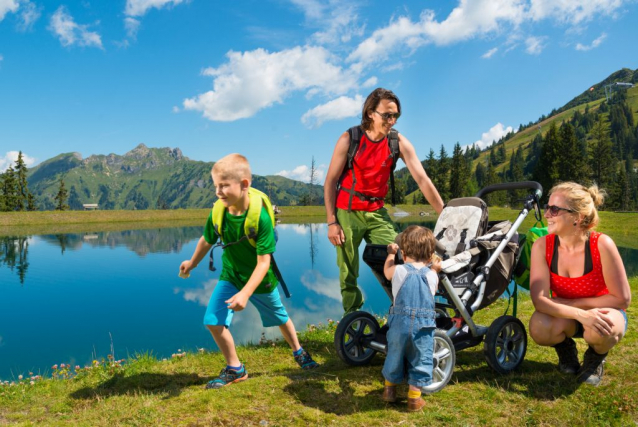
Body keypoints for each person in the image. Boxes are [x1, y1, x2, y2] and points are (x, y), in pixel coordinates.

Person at [179, 153, 318, 390]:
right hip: (231, 275)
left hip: (260, 280)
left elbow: (264, 263)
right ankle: (235, 368)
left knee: (279, 317)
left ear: (244, 185)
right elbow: (207, 239)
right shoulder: (218, 212)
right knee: (213, 321)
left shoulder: (260, 218)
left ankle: (299, 351)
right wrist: (192, 262)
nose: (218, 192)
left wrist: (245, 293)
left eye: (224, 186)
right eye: (216, 186)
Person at [324, 87, 444, 314]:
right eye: (387, 115)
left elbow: (422, 180)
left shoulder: (397, 142)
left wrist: (444, 213)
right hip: (347, 212)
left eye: (396, 116)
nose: (392, 120)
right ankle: (353, 319)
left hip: (376, 210)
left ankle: (406, 310)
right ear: (371, 112)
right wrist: (332, 222)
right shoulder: (350, 138)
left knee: (401, 255)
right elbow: (330, 181)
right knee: (347, 270)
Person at [529, 182, 631, 386]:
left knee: (604, 329)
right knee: (538, 327)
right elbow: (539, 301)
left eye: (554, 209)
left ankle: (596, 355)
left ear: (578, 217)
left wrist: (571, 306)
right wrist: (580, 314)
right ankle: (566, 349)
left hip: (603, 312)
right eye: (547, 207)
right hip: (569, 314)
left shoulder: (602, 244)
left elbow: (622, 299)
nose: (547, 214)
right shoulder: (542, 246)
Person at [381, 225, 441, 412]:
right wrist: (436, 270)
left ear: (404, 254)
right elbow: (434, 291)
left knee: (394, 355)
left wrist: (391, 255)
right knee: (421, 359)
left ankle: (389, 391)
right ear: (430, 256)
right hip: (423, 327)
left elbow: (386, 272)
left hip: (399, 324)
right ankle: (414, 398)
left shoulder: (399, 270)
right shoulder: (432, 275)